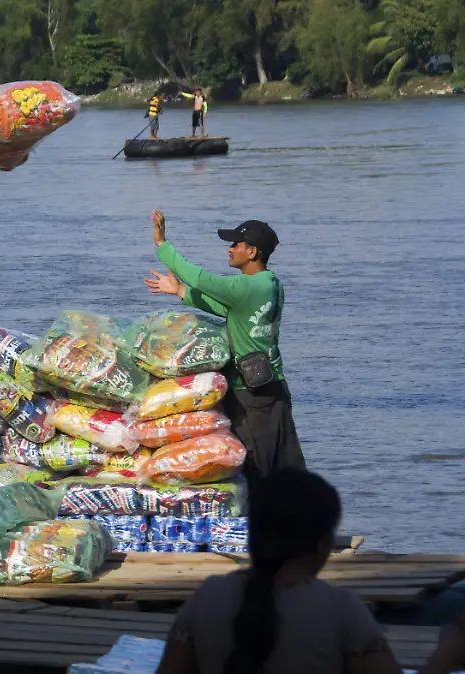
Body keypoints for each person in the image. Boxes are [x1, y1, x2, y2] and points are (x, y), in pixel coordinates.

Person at [156, 469, 402, 674]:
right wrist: (442, 655)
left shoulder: (208, 598)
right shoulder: (343, 611)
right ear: (322, 544)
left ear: (252, 536)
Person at [145, 212, 305, 485]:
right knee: (286, 462)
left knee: (256, 466)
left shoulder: (246, 285)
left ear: (252, 252)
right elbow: (226, 308)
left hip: (252, 394)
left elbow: (201, 279)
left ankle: (264, 524)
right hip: (274, 387)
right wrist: (180, 291)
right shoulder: (270, 284)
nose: (230, 249)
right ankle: (301, 521)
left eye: (236, 244)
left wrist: (163, 245)